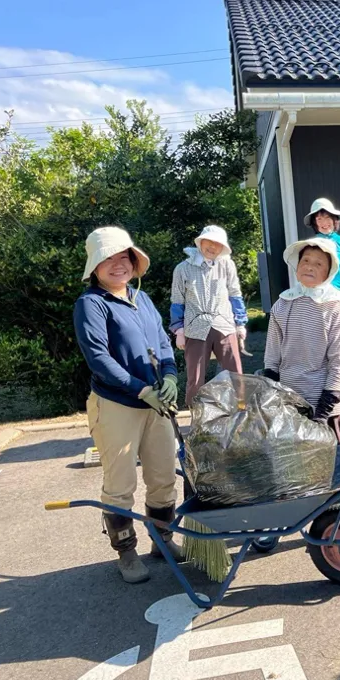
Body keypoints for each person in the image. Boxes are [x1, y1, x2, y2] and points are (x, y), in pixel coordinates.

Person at [73, 226, 184, 584]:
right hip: (117, 405)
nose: (117, 265)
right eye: (108, 259)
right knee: (120, 484)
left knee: (164, 476)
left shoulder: (143, 299)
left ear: (134, 263)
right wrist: (141, 390)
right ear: (95, 267)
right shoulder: (91, 304)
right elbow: (99, 359)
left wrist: (169, 377)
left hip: (156, 404)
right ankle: (126, 552)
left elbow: (164, 345)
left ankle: (162, 539)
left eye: (124, 258)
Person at [262, 237, 340, 442]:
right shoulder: (283, 304)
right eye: (305, 261)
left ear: (329, 272)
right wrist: (272, 396)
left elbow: (339, 362)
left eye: (318, 263)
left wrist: (323, 411)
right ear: (297, 266)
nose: (310, 267)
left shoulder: (336, 306)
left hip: (324, 405)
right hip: (288, 403)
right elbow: (272, 357)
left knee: (330, 469)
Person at [169, 225, 248, 405]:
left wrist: (240, 322)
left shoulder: (227, 264)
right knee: (195, 379)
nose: (212, 247)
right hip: (195, 326)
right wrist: (179, 330)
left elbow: (235, 294)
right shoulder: (182, 269)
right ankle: (197, 418)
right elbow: (177, 300)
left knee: (236, 375)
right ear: (200, 242)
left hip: (224, 323)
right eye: (209, 242)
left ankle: (240, 413)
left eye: (217, 244)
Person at [303, 198, 340, 300]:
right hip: (316, 299)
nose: (324, 223)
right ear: (314, 223)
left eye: (327, 217)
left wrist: (330, 286)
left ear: (334, 220)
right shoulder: (309, 245)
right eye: (319, 219)